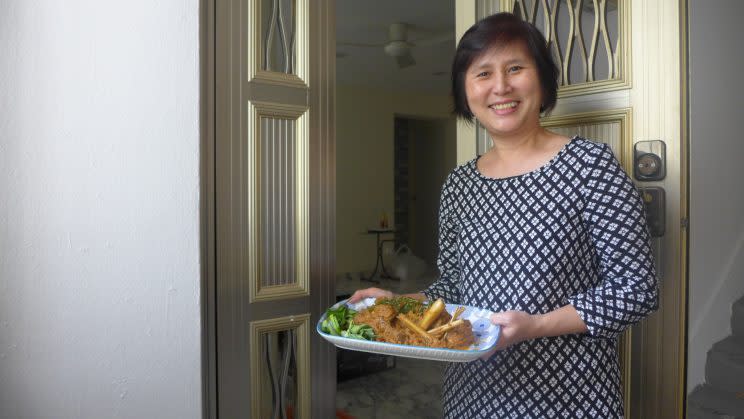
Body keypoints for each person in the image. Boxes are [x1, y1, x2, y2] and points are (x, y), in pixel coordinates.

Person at [349, 12, 658, 418]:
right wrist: (397, 305)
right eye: (483, 74)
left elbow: (636, 288)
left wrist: (538, 326)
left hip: (570, 396)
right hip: (472, 393)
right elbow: (455, 287)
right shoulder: (459, 184)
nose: (500, 86)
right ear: (465, 91)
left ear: (542, 81)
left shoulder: (589, 165)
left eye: (516, 68)